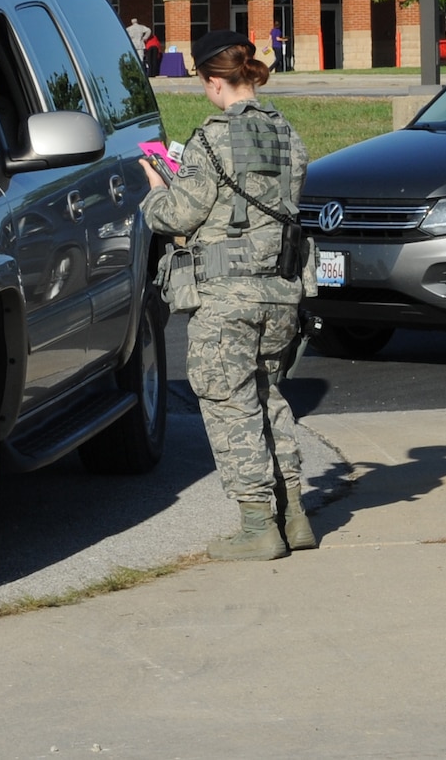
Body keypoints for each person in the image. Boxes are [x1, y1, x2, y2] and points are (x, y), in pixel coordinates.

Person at [139, 29, 314, 561]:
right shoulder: (288, 134)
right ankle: (295, 515)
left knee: (229, 405)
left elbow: (181, 214)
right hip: (281, 294)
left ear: (214, 81)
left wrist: (155, 193)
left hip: (226, 297)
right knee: (268, 397)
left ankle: (257, 525)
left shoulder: (210, 138)